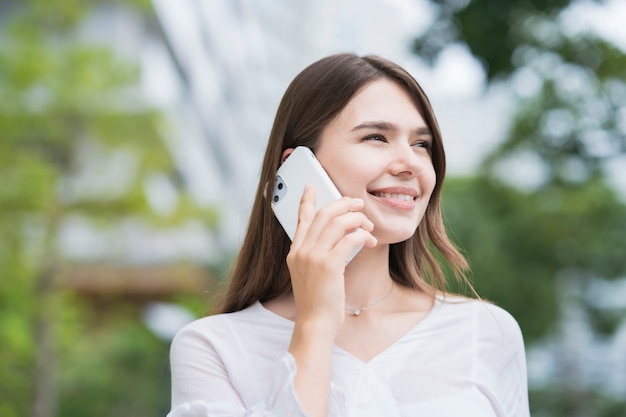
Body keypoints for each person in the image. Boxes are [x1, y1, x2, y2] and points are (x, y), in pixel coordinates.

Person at [167, 53, 529, 417]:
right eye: (376, 137)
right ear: (295, 166)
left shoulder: (486, 332)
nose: (411, 164)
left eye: (422, 144)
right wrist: (315, 323)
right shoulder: (213, 349)